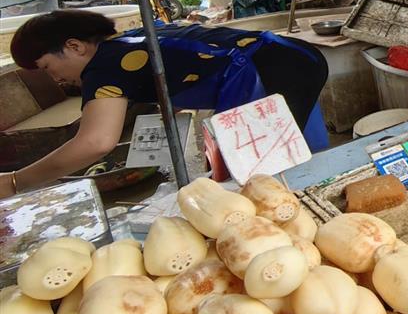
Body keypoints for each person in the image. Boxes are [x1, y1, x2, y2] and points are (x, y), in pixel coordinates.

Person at [1, 10, 330, 197]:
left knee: (259, 183)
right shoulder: (127, 41)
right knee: (305, 157)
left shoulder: (103, 67)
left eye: (47, 67)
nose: (56, 79)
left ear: (74, 46)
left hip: (269, 72)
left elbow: (96, 142)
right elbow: (181, 66)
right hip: (294, 56)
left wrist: (17, 181)